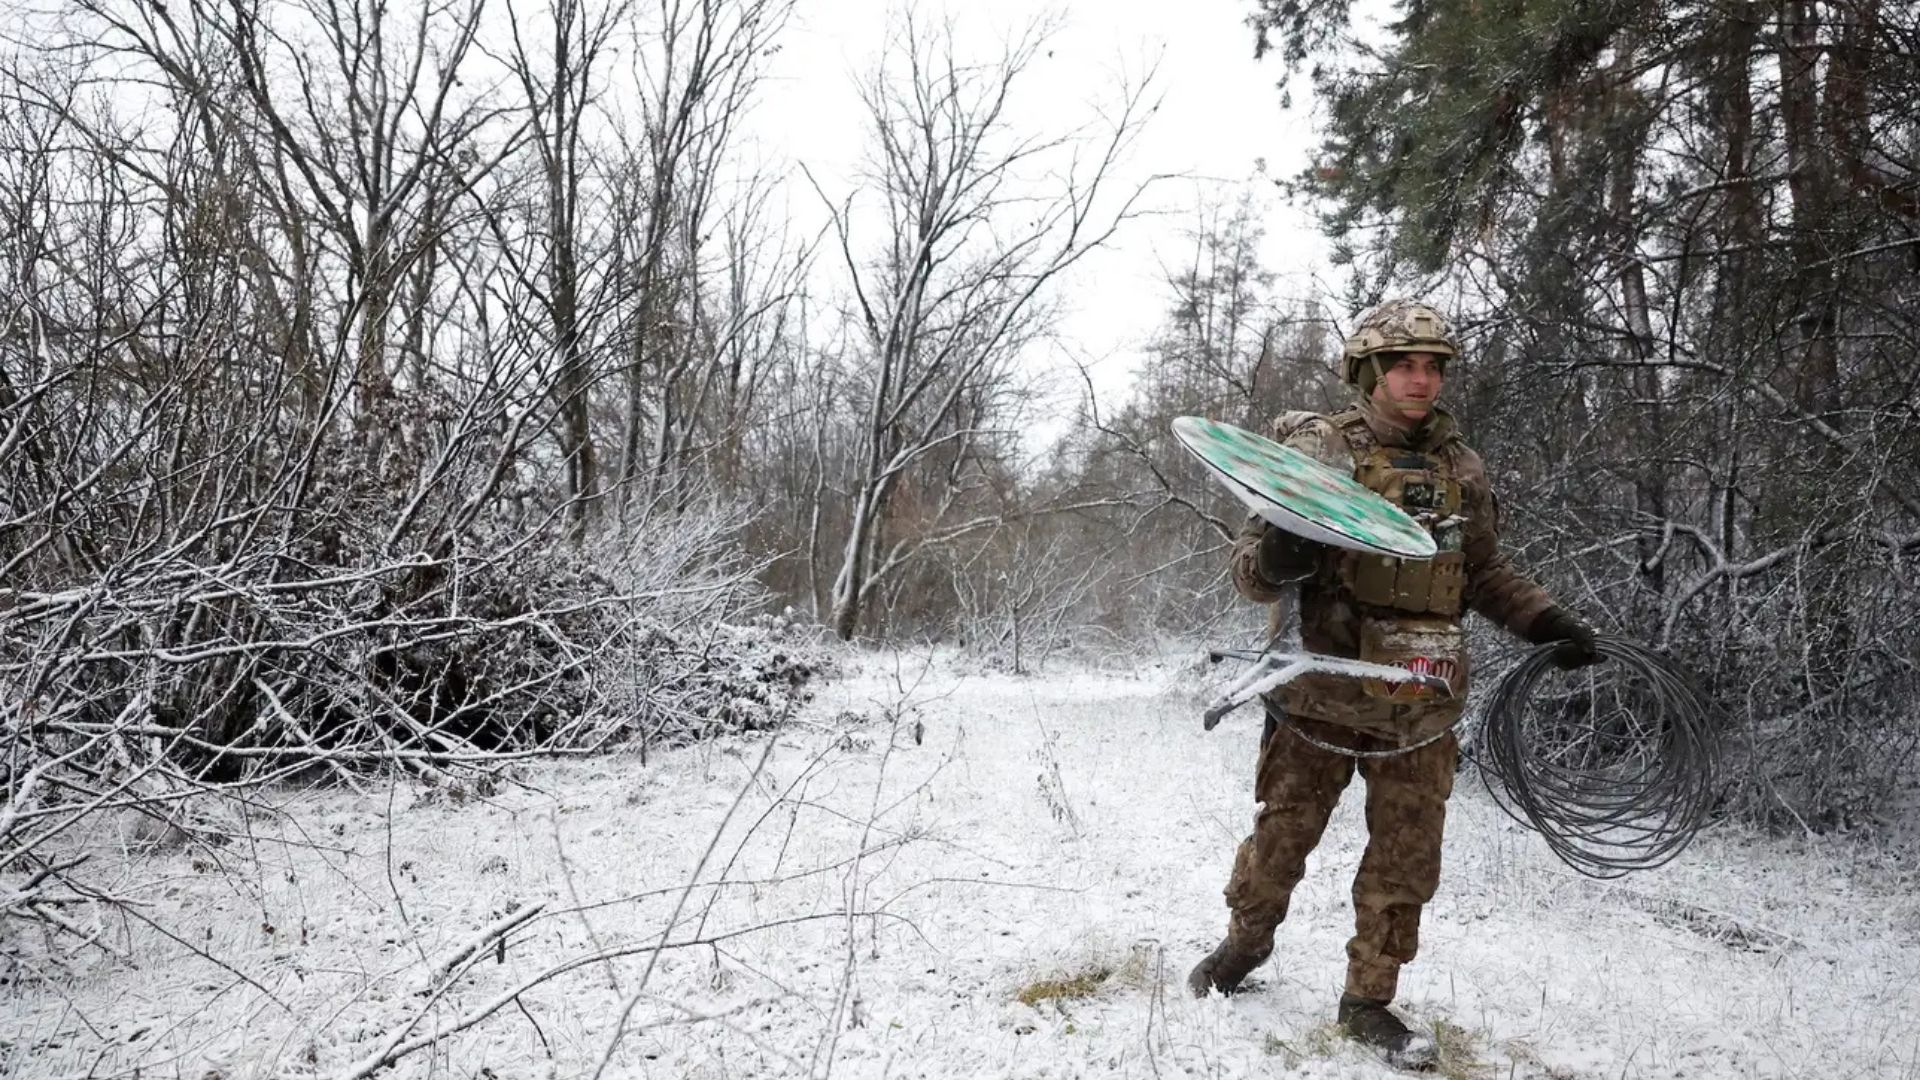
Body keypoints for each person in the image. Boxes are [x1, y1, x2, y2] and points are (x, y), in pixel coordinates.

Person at [1186, 299, 1601, 1069]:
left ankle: (1368, 1003)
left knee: (1405, 859)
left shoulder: (1461, 468)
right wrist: (1279, 553)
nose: (1421, 380)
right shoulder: (1317, 449)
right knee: (1282, 839)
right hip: (1318, 695)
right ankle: (1243, 946)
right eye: (1404, 365)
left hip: (1419, 699)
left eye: (1433, 367)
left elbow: (1482, 572)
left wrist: (1546, 622)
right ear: (1369, 372)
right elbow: (1249, 574)